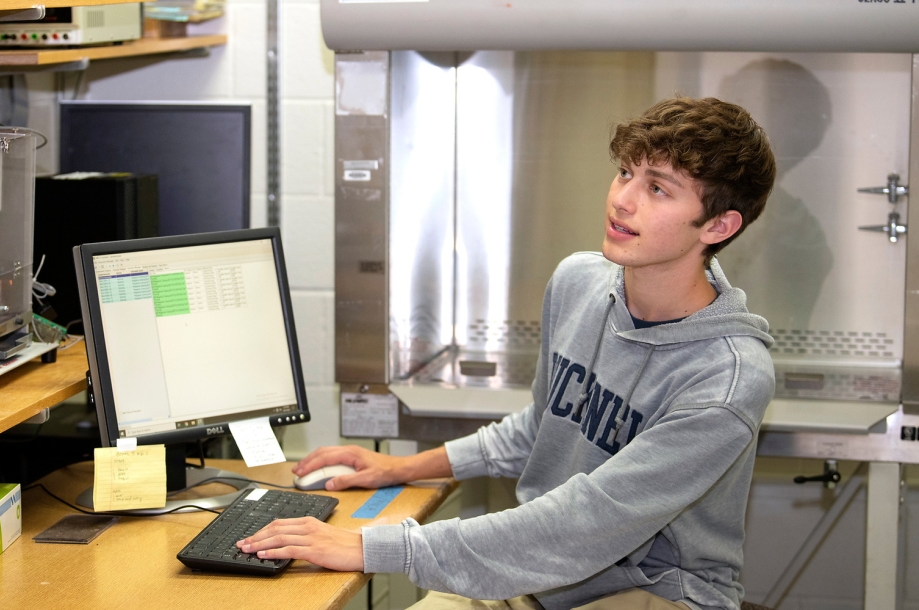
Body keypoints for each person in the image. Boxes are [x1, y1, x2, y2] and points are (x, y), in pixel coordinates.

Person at [237, 96, 778, 610]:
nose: (623, 198)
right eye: (625, 172)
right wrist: (402, 467)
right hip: (540, 573)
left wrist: (374, 547)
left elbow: (589, 520)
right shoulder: (579, 282)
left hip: (653, 589)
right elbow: (543, 426)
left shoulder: (726, 379)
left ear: (718, 225)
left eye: (658, 189)